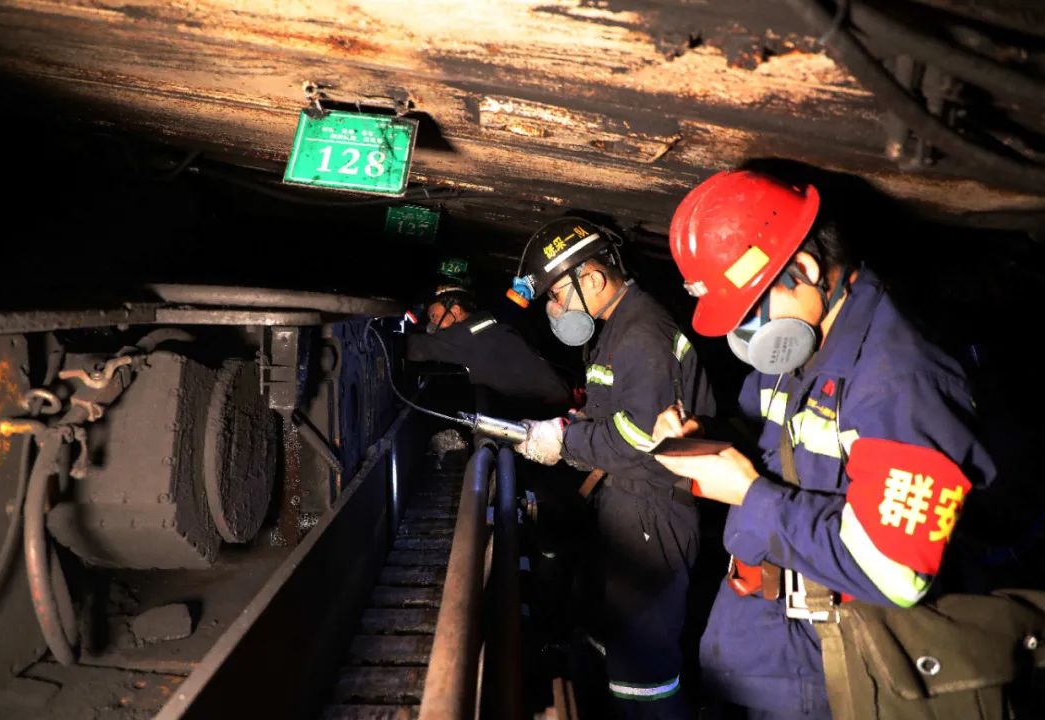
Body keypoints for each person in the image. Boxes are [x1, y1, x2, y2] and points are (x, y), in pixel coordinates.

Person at [651, 169, 996, 718]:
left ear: (806, 270)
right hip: (765, 641)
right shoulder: (803, 345)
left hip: (828, 663)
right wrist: (705, 442)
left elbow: (895, 571)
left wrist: (749, 494)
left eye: (750, 309)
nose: (744, 332)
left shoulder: (900, 379)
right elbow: (774, 444)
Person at [510, 216, 715, 719]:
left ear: (594, 279)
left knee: (643, 674)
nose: (555, 308)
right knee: (612, 644)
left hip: (652, 515)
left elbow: (640, 438)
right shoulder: (619, 328)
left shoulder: (642, 333)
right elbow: (619, 412)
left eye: (556, 295)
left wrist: (565, 441)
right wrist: (574, 423)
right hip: (628, 507)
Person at [406, 282, 573, 418]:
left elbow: (414, 348)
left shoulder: (466, 335)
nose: (431, 326)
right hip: (552, 399)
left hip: (552, 409)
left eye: (434, 316)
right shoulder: (484, 323)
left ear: (455, 311)